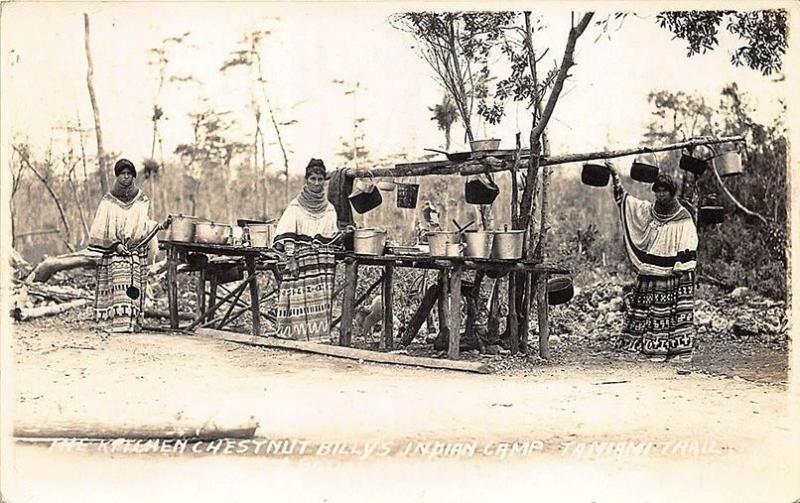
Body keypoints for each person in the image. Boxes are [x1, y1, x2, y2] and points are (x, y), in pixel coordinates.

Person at [606, 161, 698, 362]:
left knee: (673, 312)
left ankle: (676, 350)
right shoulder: (649, 211)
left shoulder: (683, 216)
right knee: (648, 309)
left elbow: (689, 239)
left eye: (665, 191)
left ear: (672, 193)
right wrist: (615, 175)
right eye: (658, 191)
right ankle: (648, 346)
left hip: (675, 272)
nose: (661, 195)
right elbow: (626, 202)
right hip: (651, 270)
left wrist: (681, 265)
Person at [88, 159, 170, 333]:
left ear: (133, 176)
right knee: (118, 284)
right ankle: (114, 323)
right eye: (122, 174)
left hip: (135, 250)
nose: (126, 178)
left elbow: (143, 224)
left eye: (129, 174)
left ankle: (132, 323)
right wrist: (116, 245)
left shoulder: (141, 199)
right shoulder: (108, 200)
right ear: (117, 177)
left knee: (133, 288)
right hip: (115, 251)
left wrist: (159, 226)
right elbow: (102, 226)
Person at [272, 158, 345, 342]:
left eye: (320, 179)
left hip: (321, 265)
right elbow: (287, 235)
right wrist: (291, 259)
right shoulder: (295, 207)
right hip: (300, 261)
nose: (316, 183)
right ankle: (295, 337)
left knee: (318, 300)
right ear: (306, 180)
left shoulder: (329, 209)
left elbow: (331, 236)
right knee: (295, 300)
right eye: (312, 179)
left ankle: (317, 337)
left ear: (324, 181)